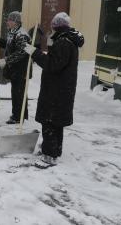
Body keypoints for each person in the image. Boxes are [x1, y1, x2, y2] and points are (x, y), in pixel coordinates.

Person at [24, 12, 85, 167]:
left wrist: (35, 53)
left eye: (53, 26)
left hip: (56, 91)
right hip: (60, 89)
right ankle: (54, 150)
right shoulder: (66, 40)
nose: (51, 29)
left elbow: (53, 65)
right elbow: (56, 60)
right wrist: (46, 47)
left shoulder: (64, 42)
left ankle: (49, 155)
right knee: (56, 122)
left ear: (57, 26)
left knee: (49, 122)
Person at [0, 11, 31, 124]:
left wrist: (6, 60)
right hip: (15, 69)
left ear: (15, 22)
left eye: (9, 20)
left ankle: (18, 117)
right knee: (16, 92)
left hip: (21, 70)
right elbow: (9, 46)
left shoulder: (21, 35)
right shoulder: (13, 32)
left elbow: (22, 52)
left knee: (19, 93)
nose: (7, 22)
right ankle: (19, 114)